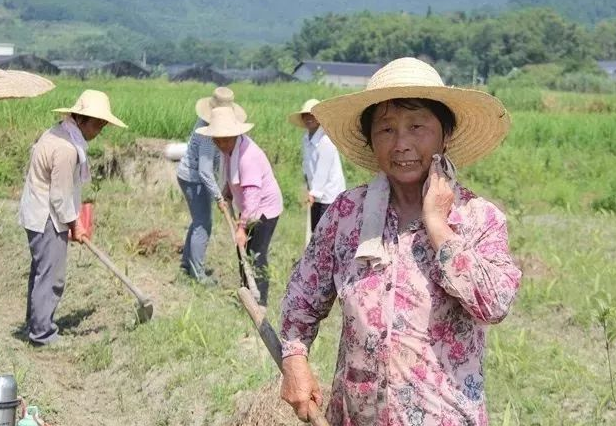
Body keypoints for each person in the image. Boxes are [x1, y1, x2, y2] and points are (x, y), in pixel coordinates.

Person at [279, 57, 522, 425]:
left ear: (445, 135)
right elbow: (302, 297)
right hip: (356, 415)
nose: (401, 144)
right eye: (386, 129)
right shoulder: (347, 214)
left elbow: (494, 304)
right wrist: (294, 360)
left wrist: (438, 225)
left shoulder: (476, 218)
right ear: (371, 139)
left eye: (417, 126)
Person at [18, 89, 127, 346]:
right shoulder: (66, 148)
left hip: (40, 211)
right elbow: (60, 196)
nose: (99, 130)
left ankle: (35, 324)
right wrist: (75, 225)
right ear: (81, 119)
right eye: (97, 125)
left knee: (41, 272)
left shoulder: (60, 132)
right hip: (46, 215)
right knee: (51, 275)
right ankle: (42, 333)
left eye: (103, 126)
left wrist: (74, 222)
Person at [196, 107, 283, 308]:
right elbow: (231, 175)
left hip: (264, 209)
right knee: (242, 250)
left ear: (236, 134)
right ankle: (246, 294)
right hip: (248, 208)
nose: (220, 143)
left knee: (256, 253)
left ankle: (260, 300)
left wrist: (242, 228)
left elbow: (252, 196)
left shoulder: (247, 156)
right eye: (217, 139)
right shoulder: (230, 149)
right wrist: (227, 192)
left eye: (225, 138)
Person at [176, 87, 247, 283]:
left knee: (199, 221)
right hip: (193, 179)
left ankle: (186, 264)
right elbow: (205, 171)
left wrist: (225, 189)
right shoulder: (208, 132)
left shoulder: (215, 128)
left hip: (194, 176)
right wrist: (218, 197)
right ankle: (197, 275)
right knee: (203, 224)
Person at [288, 99, 346, 231]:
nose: (309, 118)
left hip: (329, 195)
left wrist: (313, 193)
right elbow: (307, 165)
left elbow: (322, 171)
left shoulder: (326, 141)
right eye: (305, 115)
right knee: (315, 230)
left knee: (325, 232)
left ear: (319, 118)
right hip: (315, 193)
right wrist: (308, 188)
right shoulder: (306, 138)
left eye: (312, 115)